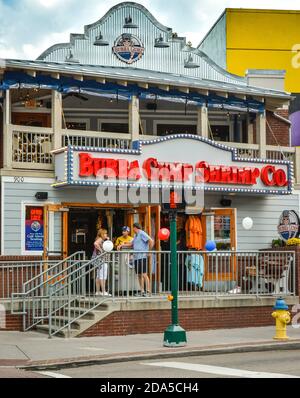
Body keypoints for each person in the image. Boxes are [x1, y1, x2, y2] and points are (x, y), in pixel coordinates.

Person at [118, 223, 154, 297]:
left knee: (144, 274)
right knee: (139, 275)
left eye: (133, 228)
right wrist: (122, 245)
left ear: (135, 228)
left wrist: (149, 251)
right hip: (136, 257)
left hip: (142, 256)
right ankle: (142, 291)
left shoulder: (142, 233)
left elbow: (151, 241)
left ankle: (148, 291)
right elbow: (131, 244)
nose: (132, 229)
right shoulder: (135, 235)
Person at [93, 229, 111, 297]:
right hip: (102, 259)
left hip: (98, 259)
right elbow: (95, 243)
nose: (106, 235)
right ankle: (103, 291)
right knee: (103, 275)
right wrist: (101, 250)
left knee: (98, 275)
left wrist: (107, 240)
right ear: (102, 234)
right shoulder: (100, 239)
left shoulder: (99, 239)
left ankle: (98, 291)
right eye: (105, 233)